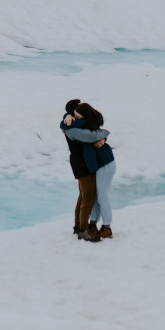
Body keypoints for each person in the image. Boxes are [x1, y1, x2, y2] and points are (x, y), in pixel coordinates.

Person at [61, 101, 115, 240]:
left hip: (98, 163)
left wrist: (103, 137)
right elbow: (91, 136)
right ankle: (83, 228)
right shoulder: (72, 128)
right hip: (83, 164)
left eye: (79, 116)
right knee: (88, 197)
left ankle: (92, 227)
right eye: (75, 116)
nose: (77, 118)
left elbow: (94, 124)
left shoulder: (86, 123)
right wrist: (104, 134)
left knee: (91, 196)